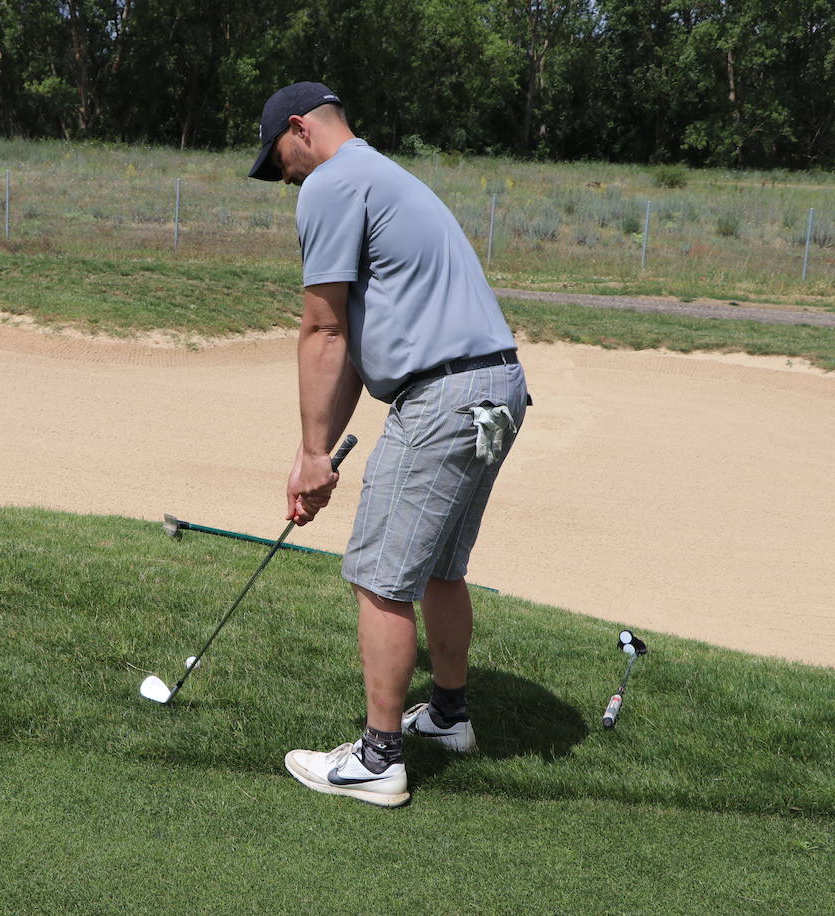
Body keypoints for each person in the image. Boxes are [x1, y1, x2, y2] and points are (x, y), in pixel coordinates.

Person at [248, 82, 530, 808]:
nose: (284, 179)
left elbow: (322, 330)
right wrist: (316, 448)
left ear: (301, 129)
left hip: (442, 394)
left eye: (280, 160)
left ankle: (378, 761)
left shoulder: (333, 182)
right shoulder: (383, 174)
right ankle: (448, 716)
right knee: (439, 564)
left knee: (379, 576)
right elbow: (351, 349)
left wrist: (313, 455)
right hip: (496, 387)